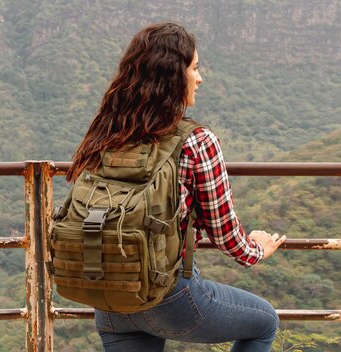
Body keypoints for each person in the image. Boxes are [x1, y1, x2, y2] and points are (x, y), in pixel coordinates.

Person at [66, 22, 287, 352]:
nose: (200, 78)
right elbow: (225, 234)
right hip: (168, 298)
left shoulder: (108, 132)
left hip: (108, 296)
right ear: (173, 76)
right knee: (264, 322)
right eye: (194, 69)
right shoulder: (196, 142)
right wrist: (257, 249)